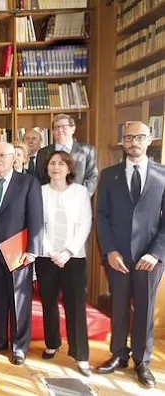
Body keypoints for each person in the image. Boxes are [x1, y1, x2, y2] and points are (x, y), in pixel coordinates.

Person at [96, 121, 165, 388]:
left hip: (150, 258)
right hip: (119, 257)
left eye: (139, 137)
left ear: (150, 139)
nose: (134, 142)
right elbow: (102, 215)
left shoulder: (162, 174)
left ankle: (143, 361)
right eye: (128, 138)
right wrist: (110, 251)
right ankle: (118, 355)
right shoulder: (109, 174)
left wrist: (157, 254)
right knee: (120, 307)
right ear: (123, 141)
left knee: (146, 310)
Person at [0, 142, 43, 365]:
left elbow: (36, 218)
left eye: (2, 155)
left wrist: (33, 249)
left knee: (19, 301)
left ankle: (20, 346)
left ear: (14, 157)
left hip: (18, 250)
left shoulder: (28, 183)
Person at [36, 151, 92, 376]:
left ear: (69, 169)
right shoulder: (40, 192)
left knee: (75, 305)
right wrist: (51, 251)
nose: (56, 167)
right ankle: (52, 343)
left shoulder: (80, 192)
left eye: (61, 163)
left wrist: (68, 251)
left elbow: (85, 223)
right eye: (52, 163)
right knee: (48, 301)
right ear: (46, 167)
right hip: (47, 256)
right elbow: (38, 224)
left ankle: (81, 355)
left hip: (74, 256)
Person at [35, 114, 98, 194]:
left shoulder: (88, 151)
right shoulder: (43, 153)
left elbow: (92, 177)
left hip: (78, 200)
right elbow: (39, 179)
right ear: (53, 131)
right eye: (57, 127)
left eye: (64, 127)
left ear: (73, 129)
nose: (60, 130)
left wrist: (80, 196)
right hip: (50, 200)